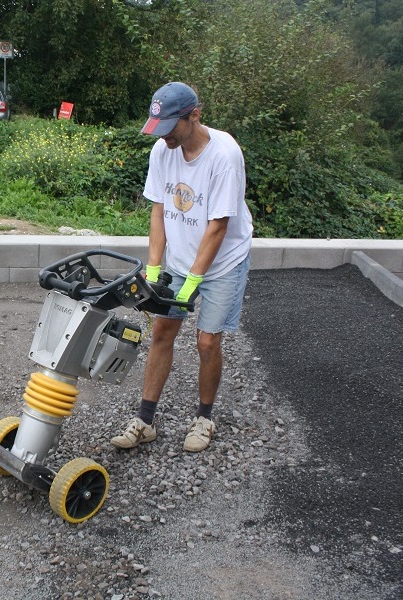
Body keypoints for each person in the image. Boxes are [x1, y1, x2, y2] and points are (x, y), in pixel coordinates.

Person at [110, 82, 253, 453]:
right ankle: (145, 421)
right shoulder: (163, 149)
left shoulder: (224, 155)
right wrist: (154, 269)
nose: (163, 136)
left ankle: (204, 418)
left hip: (223, 262)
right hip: (179, 257)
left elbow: (218, 226)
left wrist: (193, 281)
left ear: (195, 115)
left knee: (207, 340)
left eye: (170, 126)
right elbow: (158, 211)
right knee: (162, 331)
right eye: (158, 128)